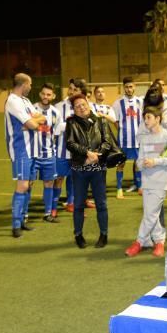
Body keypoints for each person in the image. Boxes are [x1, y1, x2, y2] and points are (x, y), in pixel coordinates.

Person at [125, 105, 167, 257]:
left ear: (158, 119)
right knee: (152, 214)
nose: (146, 120)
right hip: (147, 181)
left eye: (149, 117)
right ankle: (158, 242)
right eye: (145, 118)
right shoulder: (145, 138)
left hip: (161, 182)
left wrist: (156, 161)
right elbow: (139, 160)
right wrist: (140, 163)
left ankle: (139, 242)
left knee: (150, 214)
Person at [65, 94, 110, 249]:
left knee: (101, 204)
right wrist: (87, 153)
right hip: (79, 169)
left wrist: (96, 156)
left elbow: (107, 142)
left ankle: (104, 235)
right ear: (74, 110)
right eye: (77, 106)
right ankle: (78, 234)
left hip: (98, 168)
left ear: (88, 104)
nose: (81, 107)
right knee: (78, 204)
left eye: (83, 104)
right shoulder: (71, 122)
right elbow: (70, 143)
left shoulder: (101, 121)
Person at [5, 73, 47, 238]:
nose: (31, 87)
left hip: (32, 149)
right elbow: (31, 123)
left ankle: (22, 220)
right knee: (22, 186)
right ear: (23, 84)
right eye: (30, 84)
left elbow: (41, 118)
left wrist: (32, 123)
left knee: (29, 184)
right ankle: (15, 225)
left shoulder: (26, 101)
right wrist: (31, 123)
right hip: (21, 149)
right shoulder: (12, 101)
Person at [55, 78, 88, 212]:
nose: (71, 92)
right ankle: (53, 205)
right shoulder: (58, 107)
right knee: (58, 178)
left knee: (74, 177)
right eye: (70, 88)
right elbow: (56, 128)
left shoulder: (83, 106)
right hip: (61, 149)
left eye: (75, 90)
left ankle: (71, 203)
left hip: (77, 150)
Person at [32, 83, 62, 223]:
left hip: (49, 153)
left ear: (53, 96)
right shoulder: (31, 109)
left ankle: (47, 213)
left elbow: (56, 133)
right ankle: (24, 215)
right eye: (43, 94)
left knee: (49, 183)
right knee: (28, 184)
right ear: (40, 94)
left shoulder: (56, 113)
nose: (45, 96)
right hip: (32, 154)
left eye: (49, 94)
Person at [112, 76, 143, 198]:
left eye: (131, 87)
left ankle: (140, 186)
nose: (129, 89)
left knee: (138, 163)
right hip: (124, 140)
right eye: (126, 87)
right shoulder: (118, 103)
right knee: (121, 163)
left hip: (137, 139)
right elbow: (115, 120)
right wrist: (122, 131)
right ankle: (119, 188)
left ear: (134, 87)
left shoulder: (140, 102)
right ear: (123, 88)